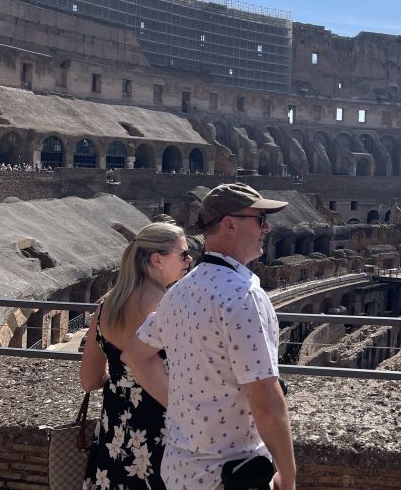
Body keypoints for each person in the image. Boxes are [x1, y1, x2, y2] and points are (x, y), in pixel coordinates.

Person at [123, 183, 296, 490]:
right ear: (230, 224)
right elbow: (267, 402)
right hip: (231, 475)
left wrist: (177, 404)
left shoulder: (179, 291)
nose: (266, 227)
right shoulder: (244, 297)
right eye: (259, 219)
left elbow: (135, 355)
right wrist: (288, 476)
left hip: (180, 471)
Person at [80, 222, 192, 490]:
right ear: (157, 259)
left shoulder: (106, 306)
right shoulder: (168, 306)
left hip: (115, 429)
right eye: (184, 254)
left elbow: (90, 381)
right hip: (161, 430)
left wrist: (122, 378)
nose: (190, 260)